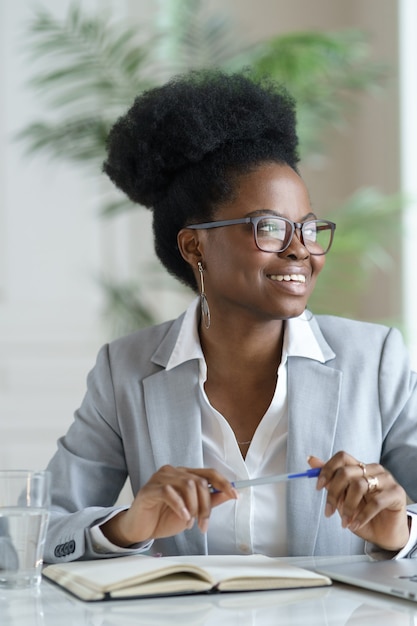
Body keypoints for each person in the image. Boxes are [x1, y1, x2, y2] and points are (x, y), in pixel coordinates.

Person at [44, 69, 417, 564]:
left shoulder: (375, 360)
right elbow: (40, 530)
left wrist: (401, 530)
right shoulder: (124, 371)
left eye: (308, 229)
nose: (299, 250)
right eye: (269, 227)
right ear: (194, 245)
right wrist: (127, 526)